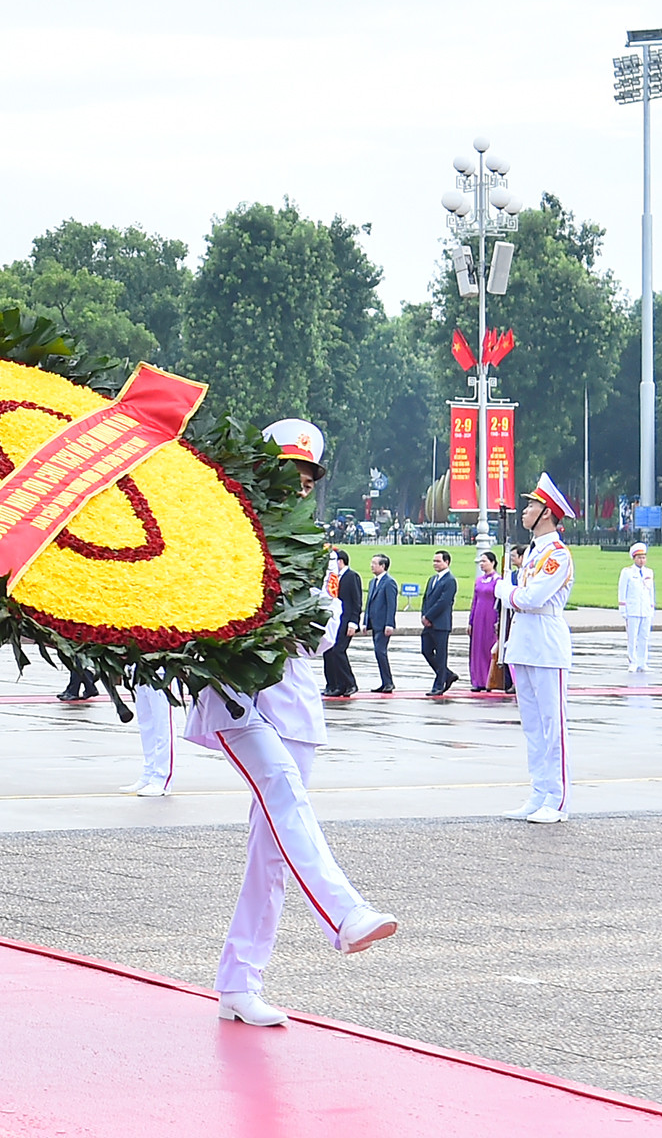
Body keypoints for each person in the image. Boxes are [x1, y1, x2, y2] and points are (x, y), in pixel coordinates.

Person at [187, 419, 398, 1029]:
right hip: (240, 698)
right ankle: (344, 912)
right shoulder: (231, 533)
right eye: (288, 477)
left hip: (298, 703)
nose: (298, 489)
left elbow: (326, 632)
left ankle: (239, 981)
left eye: (307, 480)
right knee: (280, 789)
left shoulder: (319, 552)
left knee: (271, 853)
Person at [495, 474, 577, 824]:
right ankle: (539, 792)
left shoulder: (557, 555)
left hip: (545, 641)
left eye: (531, 505)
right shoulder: (533, 553)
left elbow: (531, 598)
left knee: (552, 724)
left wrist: (502, 589)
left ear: (547, 513)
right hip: (525, 642)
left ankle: (557, 800)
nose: (525, 510)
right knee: (531, 725)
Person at [321, 549, 361, 698]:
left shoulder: (351, 577)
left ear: (340, 562)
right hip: (333, 622)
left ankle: (350, 683)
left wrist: (353, 622)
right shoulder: (332, 579)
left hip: (345, 621)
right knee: (328, 652)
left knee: (338, 652)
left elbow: (356, 602)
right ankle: (333, 685)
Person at [123, 684, 176, 796]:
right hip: (139, 672)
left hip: (162, 672)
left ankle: (162, 778)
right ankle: (149, 773)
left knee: (163, 724)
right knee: (146, 724)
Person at [419, 550, 456, 695]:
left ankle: (439, 684)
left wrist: (429, 616)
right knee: (426, 650)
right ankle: (446, 674)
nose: (435, 564)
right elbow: (426, 599)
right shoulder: (432, 579)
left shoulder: (450, 580)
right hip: (428, 622)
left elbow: (443, 602)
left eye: (438, 561)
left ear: (446, 562)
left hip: (441, 623)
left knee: (441, 654)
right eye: (434, 561)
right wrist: (424, 615)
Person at [618, 542, 656, 673]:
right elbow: (622, 591)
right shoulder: (627, 572)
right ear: (634, 558)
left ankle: (642, 662)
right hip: (632, 609)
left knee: (644, 637)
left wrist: (652, 607)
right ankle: (633, 662)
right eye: (639, 557)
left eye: (644, 557)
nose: (642, 560)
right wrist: (623, 608)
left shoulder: (649, 572)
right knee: (632, 637)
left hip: (645, 609)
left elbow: (651, 591)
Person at [468, 550, 502, 692]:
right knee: (477, 648)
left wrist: (498, 620)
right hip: (478, 617)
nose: (482, 564)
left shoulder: (498, 581)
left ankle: (490, 679)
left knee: (489, 647)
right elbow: (474, 601)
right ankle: (477, 680)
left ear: (492, 563)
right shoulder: (479, 580)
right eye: (480, 562)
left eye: (484, 561)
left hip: (491, 616)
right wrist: (470, 621)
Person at [364, 554, 398, 693]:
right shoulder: (373, 582)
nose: (372, 565)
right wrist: (365, 622)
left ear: (383, 566)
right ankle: (385, 682)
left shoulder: (389, 582)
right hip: (374, 623)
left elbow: (392, 604)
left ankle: (388, 682)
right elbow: (369, 603)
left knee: (381, 652)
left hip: (383, 624)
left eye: (374, 563)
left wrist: (389, 624)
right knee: (378, 653)